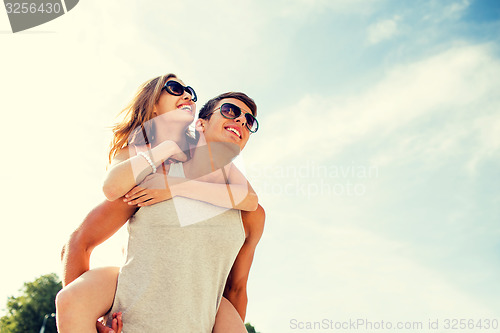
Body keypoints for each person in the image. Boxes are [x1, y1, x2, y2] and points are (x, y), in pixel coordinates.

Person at [56, 74, 265, 332]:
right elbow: (79, 242)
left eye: (249, 121)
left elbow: (236, 289)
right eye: (230, 111)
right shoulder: (153, 178)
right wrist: (94, 320)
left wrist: (179, 188)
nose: (241, 120)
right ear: (201, 124)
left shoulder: (248, 213)